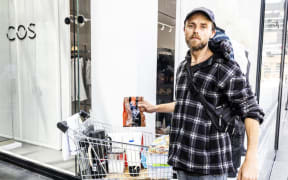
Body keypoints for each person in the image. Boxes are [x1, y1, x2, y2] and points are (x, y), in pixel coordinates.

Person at [139, 7, 264, 180]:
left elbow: (251, 110)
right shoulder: (183, 67)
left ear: (212, 32)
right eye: (191, 25)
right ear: (184, 30)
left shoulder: (225, 67)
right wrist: (154, 108)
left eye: (203, 26)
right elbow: (184, 104)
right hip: (182, 161)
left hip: (209, 168)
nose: (196, 30)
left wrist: (251, 157)